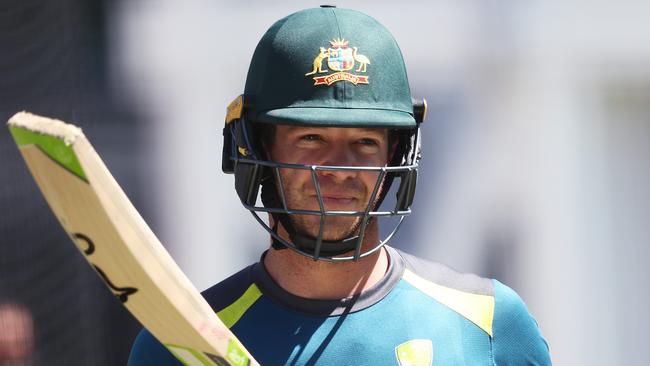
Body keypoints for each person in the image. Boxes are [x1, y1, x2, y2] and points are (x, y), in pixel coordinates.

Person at [129, 6, 551, 366]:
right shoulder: (182, 343)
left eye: (365, 142)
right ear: (254, 147)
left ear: (396, 156)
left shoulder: (490, 324)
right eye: (311, 139)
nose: (340, 168)